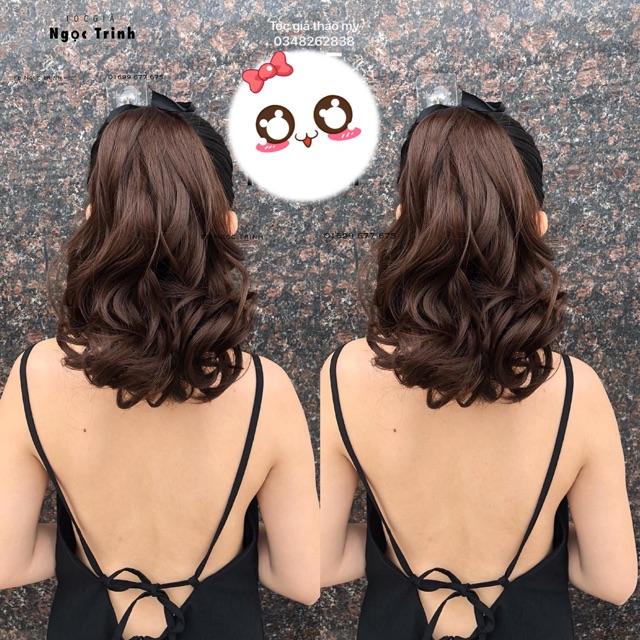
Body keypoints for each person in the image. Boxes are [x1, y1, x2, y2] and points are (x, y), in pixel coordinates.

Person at [0, 90, 319, 640]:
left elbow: (7, 562)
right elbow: (300, 580)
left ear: (93, 218)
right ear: (227, 224)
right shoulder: (264, 389)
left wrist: (101, 553)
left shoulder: (35, 376)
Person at [320, 90, 636, 640]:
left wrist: (406, 552)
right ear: (537, 224)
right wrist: (528, 551)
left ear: (403, 220)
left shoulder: (344, 373)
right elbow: (612, 580)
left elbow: (322, 563)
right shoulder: (574, 391)